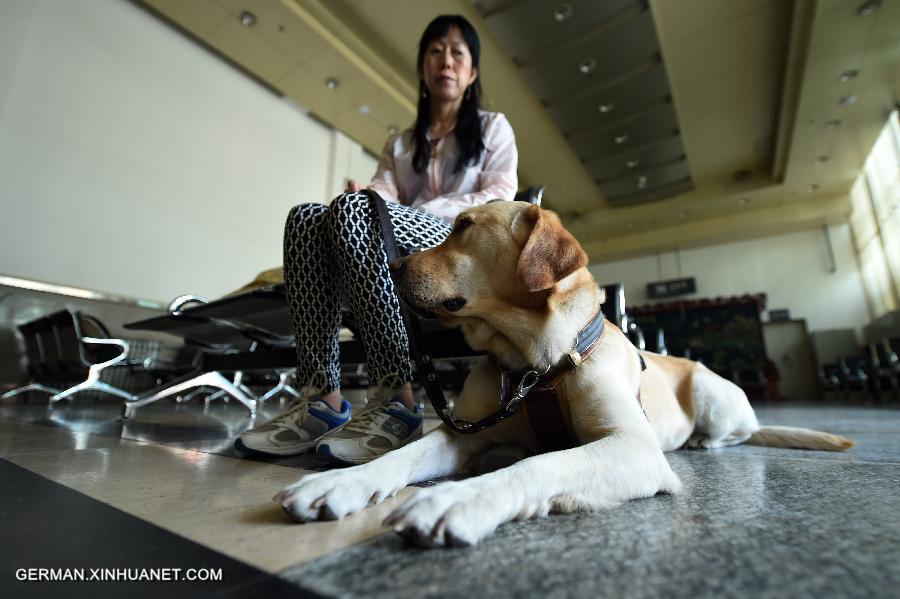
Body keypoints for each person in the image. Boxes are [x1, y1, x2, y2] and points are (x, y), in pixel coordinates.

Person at [235, 14, 518, 465]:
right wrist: (370, 199)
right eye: (435, 51)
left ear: (472, 72)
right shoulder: (402, 143)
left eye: (457, 53)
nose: (445, 60)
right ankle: (320, 396)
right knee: (308, 217)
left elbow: (500, 196)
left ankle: (397, 396)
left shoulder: (493, 128)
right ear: (424, 67)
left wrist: (411, 209)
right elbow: (382, 191)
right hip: (397, 236)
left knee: (355, 211)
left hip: (457, 241)